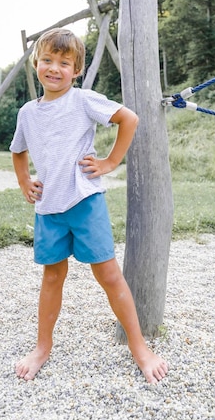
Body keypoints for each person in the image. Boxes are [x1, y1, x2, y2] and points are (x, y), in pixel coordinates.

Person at [9, 27, 168, 384]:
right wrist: (23, 181)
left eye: (64, 63)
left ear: (76, 70)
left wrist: (110, 162)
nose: (55, 68)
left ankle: (139, 347)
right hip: (49, 207)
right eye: (47, 60)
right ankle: (42, 347)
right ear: (37, 63)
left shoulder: (83, 100)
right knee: (52, 276)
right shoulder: (27, 113)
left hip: (85, 201)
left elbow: (129, 118)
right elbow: (18, 150)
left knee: (109, 275)